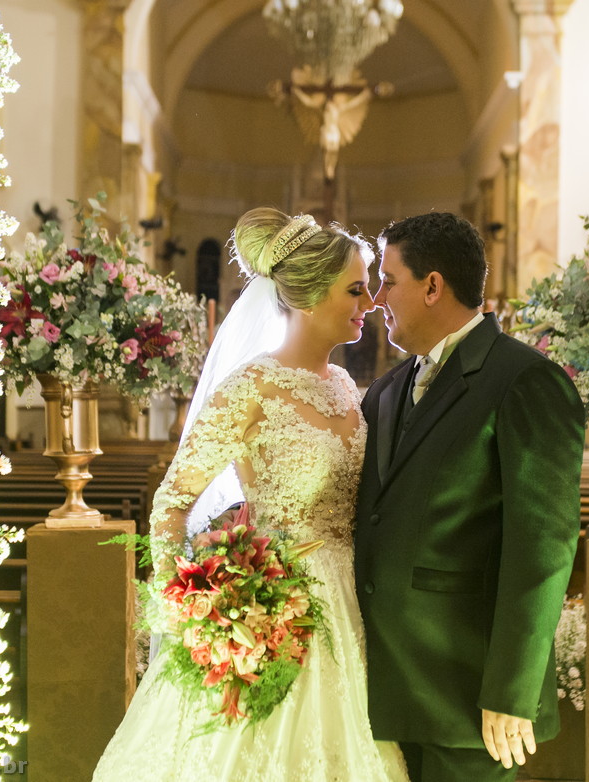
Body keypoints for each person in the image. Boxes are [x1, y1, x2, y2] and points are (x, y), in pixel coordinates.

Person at [93, 208, 409, 782]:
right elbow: (171, 503)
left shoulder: (345, 385)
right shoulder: (249, 389)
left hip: (352, 601)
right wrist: (188, 608)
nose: (369, 304)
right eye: (356, 290)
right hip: (273, 608)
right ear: (312, 294)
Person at [354, 212, 585, 782]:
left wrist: (512, 689)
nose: (378, 297)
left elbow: (544, 547)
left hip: (468, 695)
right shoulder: (385, 392)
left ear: (433, 286)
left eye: (389, 280)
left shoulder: (525, 381)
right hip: (378, 689)